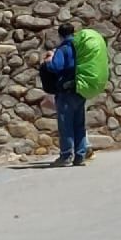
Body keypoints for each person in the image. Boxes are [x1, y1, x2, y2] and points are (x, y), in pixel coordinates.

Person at [42, 22, 88, 167]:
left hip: (66, 92)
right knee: (79, 125)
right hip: (80, 89)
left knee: (66, 125)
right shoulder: (81, 48)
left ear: (60, 35)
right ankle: (80, 155)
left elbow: (56, 66)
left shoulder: (64, 49)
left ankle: (66, 155)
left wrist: (48, 61)